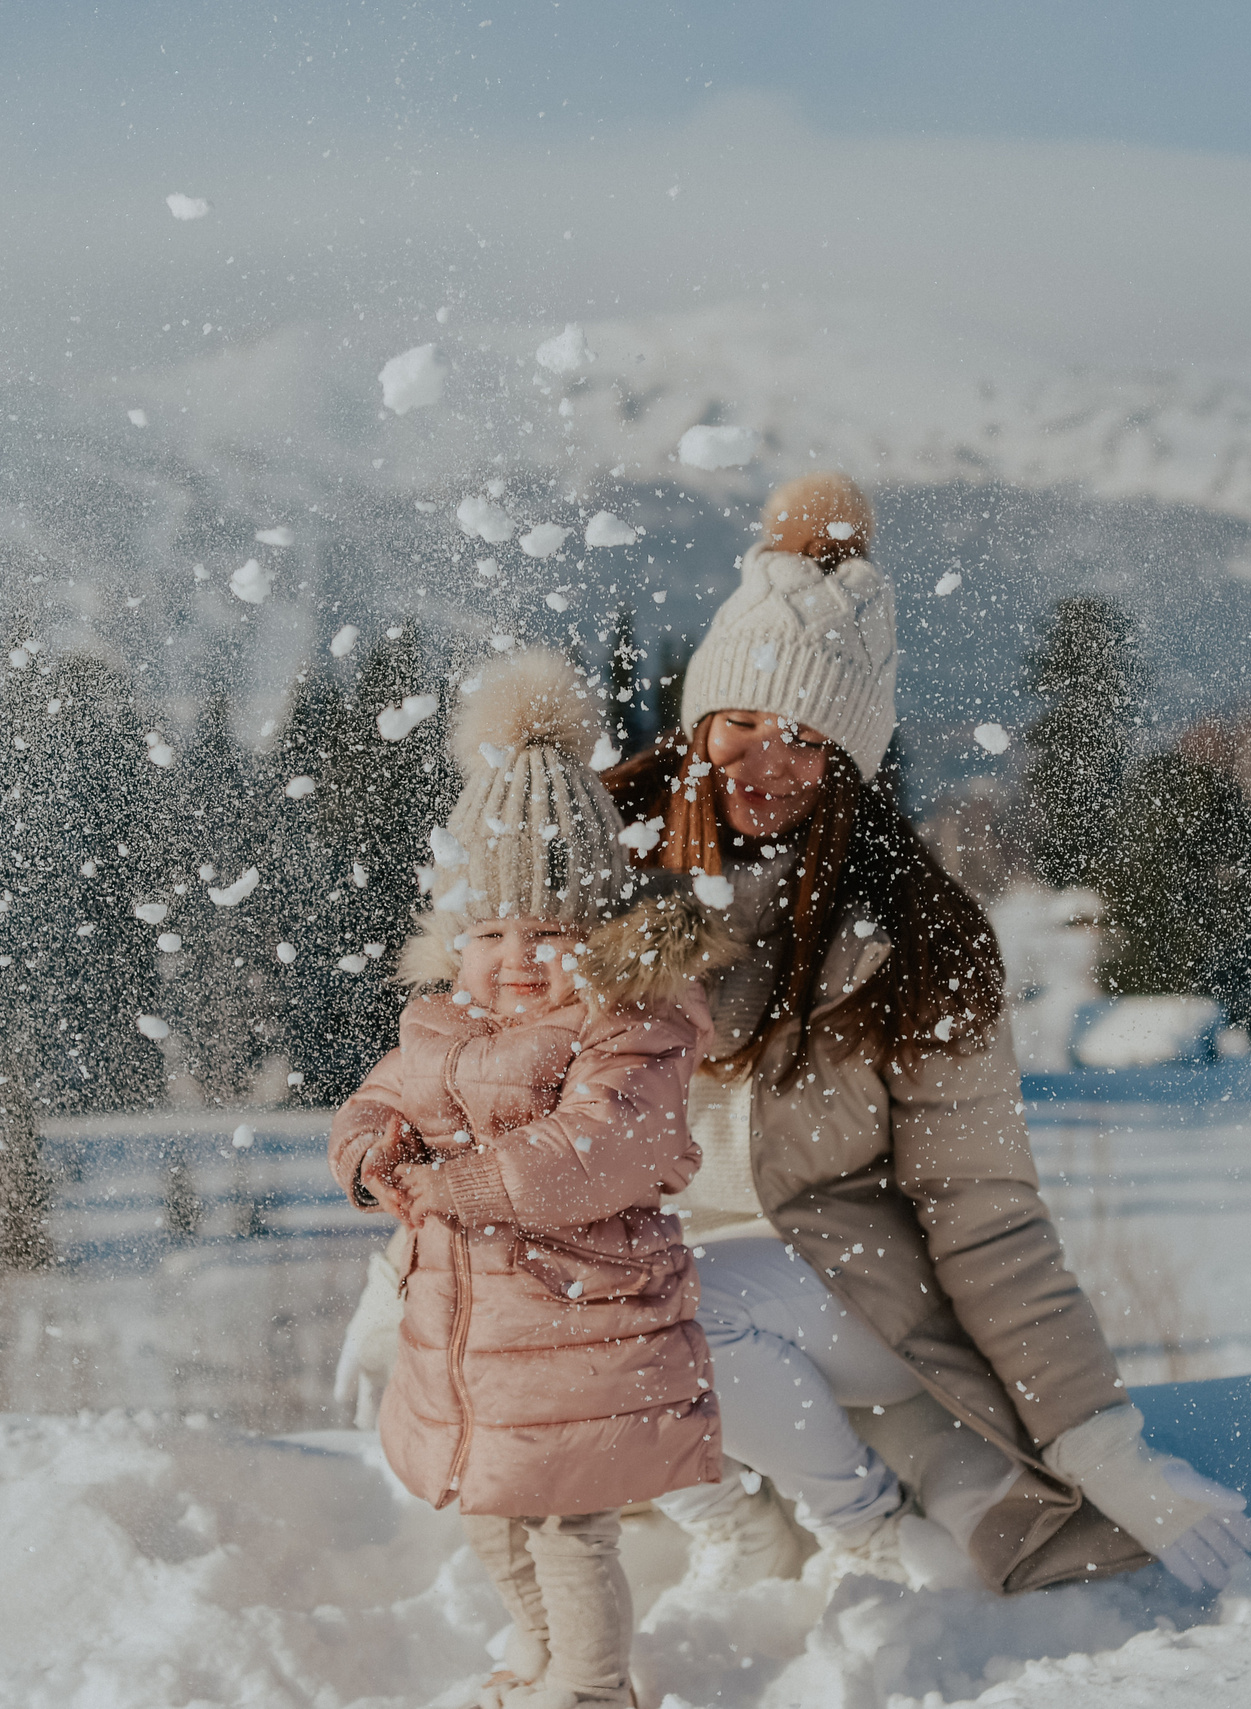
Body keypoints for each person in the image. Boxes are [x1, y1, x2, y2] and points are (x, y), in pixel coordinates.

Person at [608, 471, 1251, 1598]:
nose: (767, 763)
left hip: (843, 1289)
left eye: (808, 741)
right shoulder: (608, 879)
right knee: (585, 1301)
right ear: (697, 722)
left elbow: (985, 1206)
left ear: (851, 767)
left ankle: (831, 1518)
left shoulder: (914, 938)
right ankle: (750, 1473)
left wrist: (1098, 1438)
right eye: (743, 726)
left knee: (654, 1304)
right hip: (672, 1291)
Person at [330, 651, 729, 1708]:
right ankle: (545, 1659)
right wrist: (370, 1144)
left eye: (550, 931)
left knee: (565, 1526)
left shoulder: (629, 1024)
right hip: (467, 1329)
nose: (517, 956)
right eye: (491, 930)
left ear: (597, 933)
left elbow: (605, 1145)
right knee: (490, 1514)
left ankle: (593, 1687)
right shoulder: (441, 1021)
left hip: (574, 1314)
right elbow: (384, 1096)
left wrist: (462, 1186)